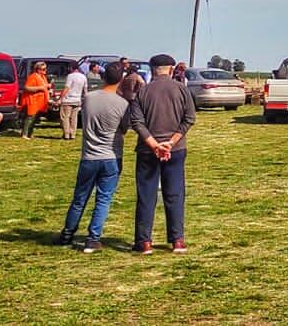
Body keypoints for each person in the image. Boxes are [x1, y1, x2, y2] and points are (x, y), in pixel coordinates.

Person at [126, 54, 197, 254]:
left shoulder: (143, 92)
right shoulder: (182, 90)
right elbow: (189, 118)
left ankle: (144, 241)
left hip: (148, 150)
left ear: (152, 69)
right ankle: (177, 240)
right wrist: (170, 142)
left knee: (146, 195)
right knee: (174, 193)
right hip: (176, 150)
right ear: (172, 69)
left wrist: (154, 145)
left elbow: (137, 122)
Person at [55, 65, 129, 252]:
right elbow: (124, 129)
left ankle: (67, 233)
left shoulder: (89, 98)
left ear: (103, 78)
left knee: (80, 198)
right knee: (103, 199)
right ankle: (93, 238)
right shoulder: (122, 104)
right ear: (121, 80)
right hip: (111, 155)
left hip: (89, 155)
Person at [19, 61, 51, 139]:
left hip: (39, 101)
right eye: (43, 69)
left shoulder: (43, 77)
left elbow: (44, 86)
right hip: (32, 100)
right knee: (30, 117)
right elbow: (26, 88)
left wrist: (48, 87)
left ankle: (30, 133)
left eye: (45, 69)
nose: (45, 71)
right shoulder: (33, 76)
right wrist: (40, 88)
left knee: (35, 118)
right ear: (38, 69)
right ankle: (24, 134)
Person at [60, 66, 87, 141]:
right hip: (77, 99)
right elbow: (85, 89)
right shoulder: (83, 77)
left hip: (68, 100)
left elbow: (67, 87)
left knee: (65, 117)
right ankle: (73, 134)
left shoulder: (70, 76)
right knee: (74, 118)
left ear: (71, 68)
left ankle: (66, 134)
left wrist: (60, 98)